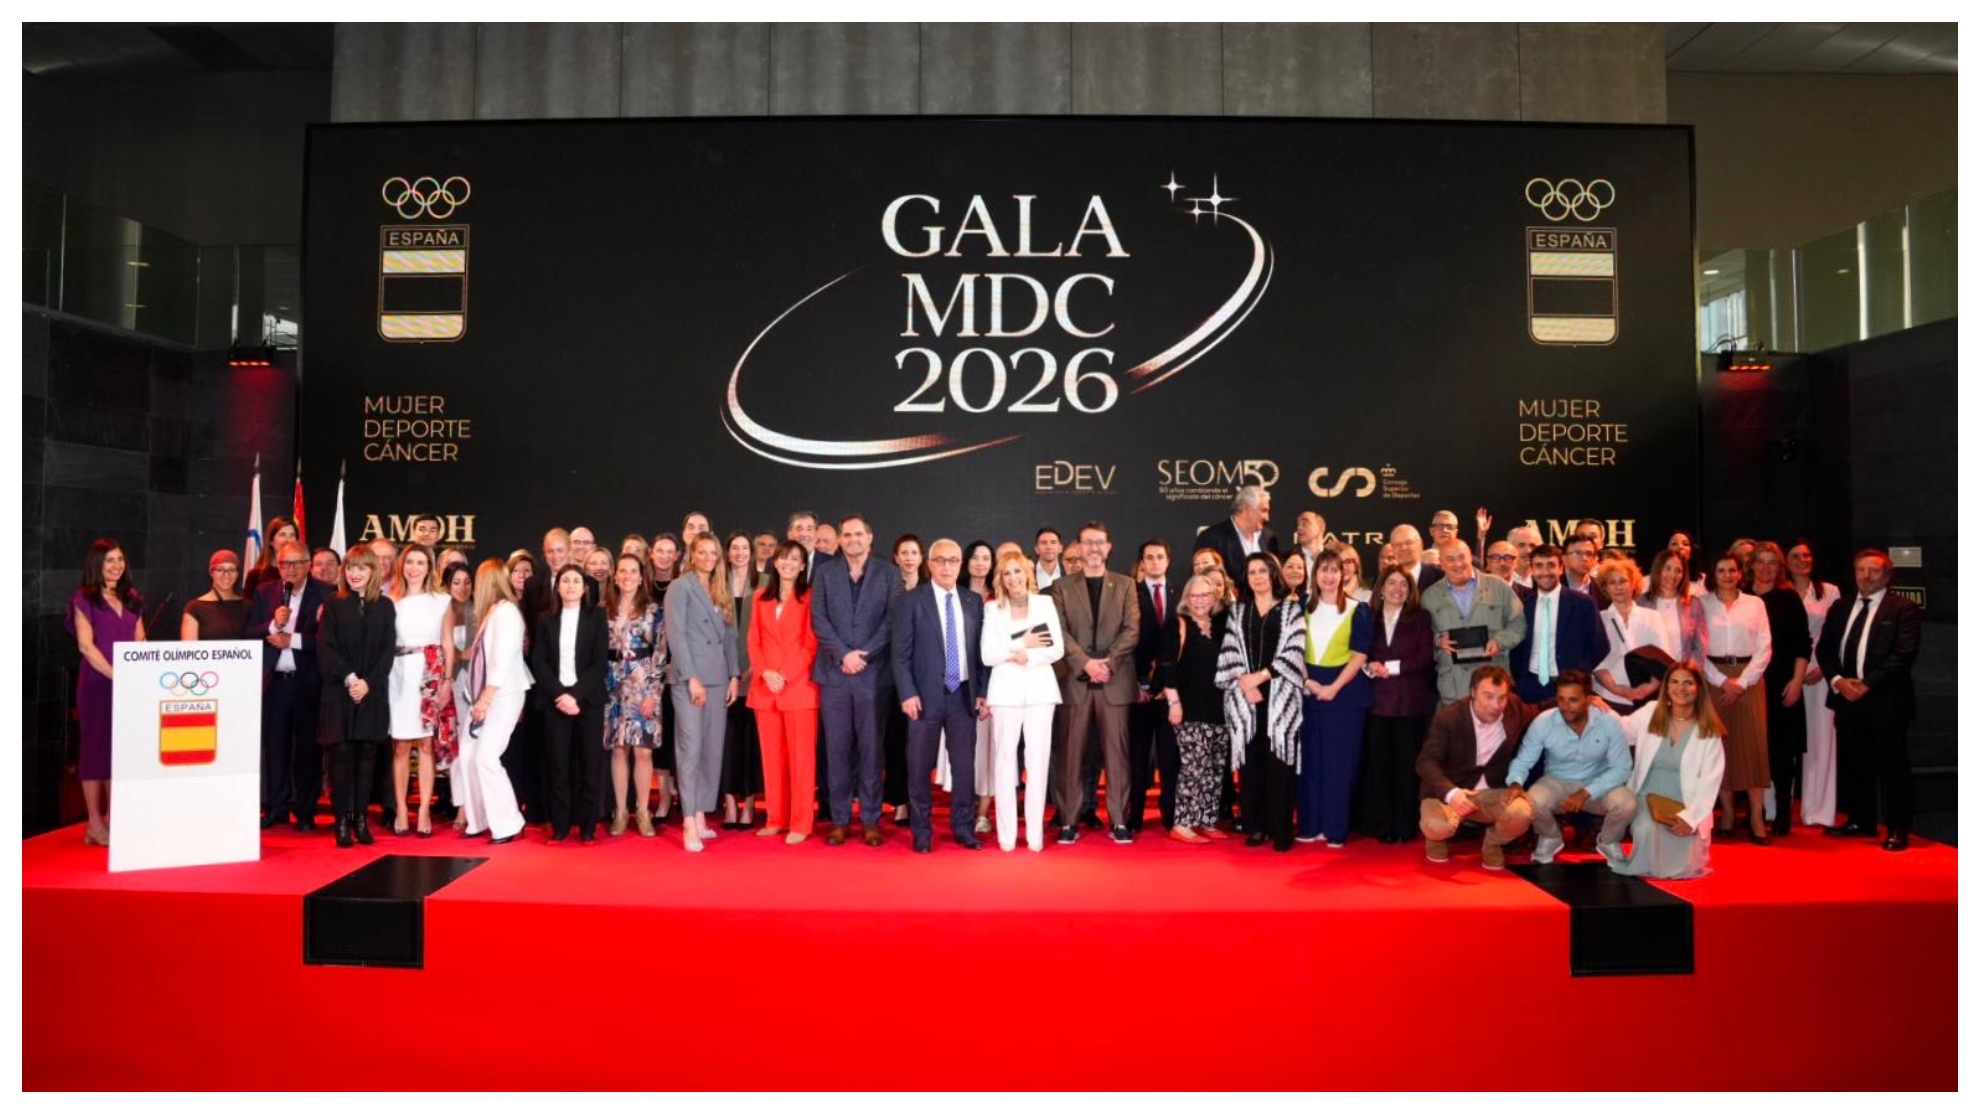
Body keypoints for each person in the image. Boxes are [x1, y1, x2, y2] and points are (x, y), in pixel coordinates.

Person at [1816, 549, 1923, 851]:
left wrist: (1867, 685)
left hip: (1886, 702)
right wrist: (1838, 682)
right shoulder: (1840, 606)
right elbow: (1825, 650)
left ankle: (1897, 828)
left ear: (1887, 575)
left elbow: (1904, 654)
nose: (1866, 576)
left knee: (1892, 767)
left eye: (1873, 571)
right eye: (1860, 570)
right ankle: (1860, 820)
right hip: (1846, 700)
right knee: (1855, 764)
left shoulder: (1903, 608)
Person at [892, 539, 990, 853]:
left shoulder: (973, 601)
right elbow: (900, 654)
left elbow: (980, 654)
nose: (947, 566)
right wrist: (907, 693)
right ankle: (922, 831)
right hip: (923, 697)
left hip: (963, 696)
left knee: (964, 767)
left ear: (960, 564)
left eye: (953, 560)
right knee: (919, 767)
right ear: (930, 564)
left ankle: (963, 827)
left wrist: (983, 691)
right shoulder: (911, 601)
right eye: (941, 560)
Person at [1048, 521, 1142, 843]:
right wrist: (1086, 663)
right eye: (1087, 543)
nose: (1093, 549)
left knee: (1117, 757)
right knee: (1070, 756)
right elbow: (1058, 632)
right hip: (1075, 682)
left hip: (1114, 683)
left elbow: (1131, 631)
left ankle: (1119, 820)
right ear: (1078, 547)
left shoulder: (1127, 585)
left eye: (1099, 543)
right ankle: (1068, 821)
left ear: (1109, 547)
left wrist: (1106, 665)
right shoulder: (1061, 587)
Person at [810, 514, 901, 847]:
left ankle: (871, 820)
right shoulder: (824, 573)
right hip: (835, 675)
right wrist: (843, 654)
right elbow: (818, 619)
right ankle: (840, 819)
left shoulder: (889, 574)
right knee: (836, 751)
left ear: (870, 537)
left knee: (872, 751)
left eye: (857, 534)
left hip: (873, 676)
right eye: (846, 535)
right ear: (839, 540)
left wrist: (863, 654)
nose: (852, 540)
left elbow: (892, 621)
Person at [1218, 552, 1305, 852]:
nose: (1257, 577)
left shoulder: (1291, 609)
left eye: (1262, 571)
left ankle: (1281, 829)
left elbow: (1295, 651)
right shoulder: (1238, 611)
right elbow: (1229, 651)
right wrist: (1245, 681)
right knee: (1252, 764)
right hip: (1247, 698)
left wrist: (1262, 677)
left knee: (1279, 763)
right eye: (1251, 572)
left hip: (1280, 697)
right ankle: (1255, 826)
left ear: (1273, 575)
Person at [1505, 670, 1637, 864]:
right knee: (1531, 800)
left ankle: (1609, 841)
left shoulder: (1608, 721)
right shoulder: (1543, 722)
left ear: (1588, 698)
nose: (1565, 707)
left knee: (1627, 803)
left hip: (1598, 784)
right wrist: (1515, 783)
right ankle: (1549, 837)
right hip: (1557, 782)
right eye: (1561, 699)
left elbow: (1622, 768)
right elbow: (1523, 761)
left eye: (1573, 700)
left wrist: (1585, 792)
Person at [1415, 666, 1539, 870]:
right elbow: (1426, 762)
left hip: (1492, 792)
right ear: (1473, 692)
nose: (1496, 705)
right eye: (1488, 696)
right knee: (1437, 827)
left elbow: (1541, 709)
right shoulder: (1449, 717)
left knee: (1522, 813)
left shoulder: (1514, 708)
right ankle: (1435, 839)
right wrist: (1451, 793)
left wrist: (1589, 701)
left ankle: (1492, 843)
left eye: (1502, 698)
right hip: (1450, 791)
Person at [1611, 664, 1727, 879]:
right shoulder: (1651, 712)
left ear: (1698, 689)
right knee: (1647, 830)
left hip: (1687, 802)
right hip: (1647, 796)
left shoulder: (1709, 731)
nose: (1680, 688)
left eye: (1688, 683)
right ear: (1666, 686)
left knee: (1684, 868)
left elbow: (1710, 782)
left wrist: (1691, 818)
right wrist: (1603, 711)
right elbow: (1622, 730)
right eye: (1674, 681)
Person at [980, 552, 1063, 852]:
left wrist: (1024, 653)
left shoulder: (1044, 603)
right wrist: (1024, 639)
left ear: (1028, 573)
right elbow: (988, 654)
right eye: (1006, 573)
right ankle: (1006, 835)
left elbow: (1056, 649)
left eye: (1018, 571)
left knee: (1037, 762)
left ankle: (1035, 835)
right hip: (1004, 693)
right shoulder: (992, 609)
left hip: (1041, 691)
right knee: (1004, 762)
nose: (1013, 578)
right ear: (1000, 578)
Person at [666, 532, 741, 853]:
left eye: (714, 553)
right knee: (691, 748)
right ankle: (686, 819)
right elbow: (676, 635)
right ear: (692, 554)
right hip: (689, 681)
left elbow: (730, 637)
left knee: (712, 750)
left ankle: (700, 813)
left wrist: (735, 675)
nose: (709, 557)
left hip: (719, 679)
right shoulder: (680, 587)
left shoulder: (720, 588)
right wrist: (691, 677)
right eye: (703, 552)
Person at [67, 539, 146, 845]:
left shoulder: (133, 598)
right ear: (97, 564)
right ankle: (94, 824)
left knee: (120, 752)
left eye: (120, 560)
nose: (116, 566)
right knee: (94, 751)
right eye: (109, 560)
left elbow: (140, 639)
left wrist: (138, 673)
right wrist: (117, 675)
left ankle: (116, 820)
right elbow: (86, 646)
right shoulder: (84, 599)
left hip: (128, 686)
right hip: (97, 684)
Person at [316, 545, 395, 848]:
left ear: (373, 571)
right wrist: (351, 678)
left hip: (370, 694)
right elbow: (326, 650)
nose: (355, 573)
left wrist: (368, 683)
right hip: (339, 692)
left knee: (366, 756)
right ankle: (341, 822)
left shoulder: (385, 607)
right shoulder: (334, 606)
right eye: (350, 567)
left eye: (361, 568)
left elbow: (387, 652)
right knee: (341, 756)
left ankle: (360, 820)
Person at [248, 540, 327, 831]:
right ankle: (277, 807)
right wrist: (271, 626)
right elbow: (249, 632)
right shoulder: (264, 592)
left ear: (308, 564)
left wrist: (291, 641)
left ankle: (305, 811)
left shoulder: (326, 593)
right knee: (275, 747)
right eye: (284, 564)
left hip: (308, 683)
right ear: (277, 565)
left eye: (297, 563)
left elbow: (326, 639)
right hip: (275, 684)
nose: (290, 569)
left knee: (308, 749)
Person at [1297, 550, 1371, 847]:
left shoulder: (1359, 609)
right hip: (1308, 691)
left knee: (1340, 764)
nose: (1328, 576)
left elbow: (1359, 656)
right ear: (1314, 575)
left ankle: (1335, 829)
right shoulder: (1301, 607)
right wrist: (1306, 681)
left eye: (1334, 570)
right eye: (1322, 570)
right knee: (1310, 761)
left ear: (1344, 574)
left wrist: (1334, 687)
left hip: (1346, 696)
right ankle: (1310, 824)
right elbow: (1293, 648)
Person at [530, 566, 608, 843]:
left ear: (585, 587)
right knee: (558, 767)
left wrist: (575, 695)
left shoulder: (597, 617)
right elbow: (538, 662)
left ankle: (587, 827)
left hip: (588, 700)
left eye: (577, 581)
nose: (571, 585)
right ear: (558, 587)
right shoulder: (545, 619)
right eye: (566, 581)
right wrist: (560, 696)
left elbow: (600, 664)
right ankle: (560, 826)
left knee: (591, 766)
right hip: (555, 702)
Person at [1359, 565, 1437, 844]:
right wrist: (1369, 666)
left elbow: (1425, 658)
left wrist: (1388, 667)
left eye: (1403, 585)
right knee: (1378, 766)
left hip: (1409, 705)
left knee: (1406, 768)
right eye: (1391, 584)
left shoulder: (1421, 618)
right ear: (1380, 588)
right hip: (1376, 703)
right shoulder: (1368, 616)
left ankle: (1404, 825)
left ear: (1411, 590)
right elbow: (1359, 652)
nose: (1397, 589)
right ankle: (1379, 823)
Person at [749, 542, 820, 844]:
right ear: (775, 562)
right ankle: (775, 817)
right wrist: (766, 672)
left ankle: (801, 823)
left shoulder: (810, 598)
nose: (788, 563)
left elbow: (810, 644)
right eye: (784, 558)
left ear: (803, 565)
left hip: (798, 687)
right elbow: (753, 640)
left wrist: (785, 675)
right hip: (766, 687)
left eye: (795, 559)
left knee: (801, 760)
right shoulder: (760, 597)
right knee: (771, 759)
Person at [1701, 553, 1773, 844]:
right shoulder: (1701, 604)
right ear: (1713, 574)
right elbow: (1696, 647)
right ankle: (1728, 813)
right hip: (1712, 678)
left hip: (1749, 680)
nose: (1728, 575)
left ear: (1740, 574)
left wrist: (1741, 682)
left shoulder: (1755, 604)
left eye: (1732, 570)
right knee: (1721, 747)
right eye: (1721, 570)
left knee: (1754, 748)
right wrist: (1720, 681)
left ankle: (1756, 816)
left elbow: (1765, 646)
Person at [386, 543, 454, 838]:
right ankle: (402, 808)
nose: (414, 568)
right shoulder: (390, 600)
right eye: (410, 562)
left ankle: (424, 808)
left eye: (421, 563)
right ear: (402, 566)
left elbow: (448, 643)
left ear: (430, 568)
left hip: (430, 674)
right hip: (397, 675)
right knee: (400, 746)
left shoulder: (441, 600)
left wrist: (447, 681)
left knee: (426, 745)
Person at [460, 559, 530, 844]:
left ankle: (509, 823)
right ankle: (480, 819)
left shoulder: (507, 613)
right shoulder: (493, 612)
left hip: (503, 694)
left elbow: (501, 661)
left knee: (487, 757)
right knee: (467, 755)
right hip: (485, 694)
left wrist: (485, 700)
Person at [1160, 574, 1232, 843]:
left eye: (1206, 595)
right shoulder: (1177, 624)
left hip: (1219, 708)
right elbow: (1167, 666)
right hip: (1188, 709)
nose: (1200, 600)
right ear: (1186, 599)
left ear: (1214, 598)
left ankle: (1207, 820)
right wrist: (1174, 702)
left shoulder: (1221, 626)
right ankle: (1182, 823)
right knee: (1193, 768)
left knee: (1214, 768)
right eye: (1195, 595)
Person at [1748, 543, 1813, 836]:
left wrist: (1798, 681)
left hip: (1782, 682)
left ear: (1780, 567)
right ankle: (1755, 813)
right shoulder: (1741, 597)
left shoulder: (1788, 598)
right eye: (1760, 562)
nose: (1765, 568)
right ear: (1751, 565)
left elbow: (1803, 643)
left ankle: (1784, 814)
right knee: (1751, 751)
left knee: (1782, 752)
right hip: (1749, 683)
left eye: (1772, 563)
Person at [603, 554, 666, 838]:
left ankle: (642, 811)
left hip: (644, 687)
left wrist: (652, 692)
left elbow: (662, 654)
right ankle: (620, 811)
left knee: (642, 751)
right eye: (622, 571)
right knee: (618, 749)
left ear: (642, 577)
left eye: (633, 571)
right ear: (615, 576)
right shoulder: (603, 609)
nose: (627, 576)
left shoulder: (654, 610)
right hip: (611, 686)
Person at [1420, 542, 1526, 705]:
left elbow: (1518, 622)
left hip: (1494, 685)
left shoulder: (1498, 587)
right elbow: (1420, 635)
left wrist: (1500, 641)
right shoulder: (1429, 596)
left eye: (1462, 557)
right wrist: (1437, 641)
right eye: (1450, 559)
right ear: (1441, 563)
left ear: (1471, 557)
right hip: (1454, 689)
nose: (1458, 564)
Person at [1786, 540, 1843, 828]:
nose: (1802, 559)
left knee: (1821, 743)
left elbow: (1837, 634)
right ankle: (1775, 809)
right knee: (1784, 744)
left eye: (1806, 554)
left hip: (1820, 675)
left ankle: (1818, 811)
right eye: (1795, 555)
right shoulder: (1780, 591)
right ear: (1786, 560)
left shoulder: (1830, 591)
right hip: (1787, 673)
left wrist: (1822, 667)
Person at [945, 537, 998, 834]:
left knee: (989, 751)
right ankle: (959, 808)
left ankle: (982, 812)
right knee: (964, 755)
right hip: (957, 686)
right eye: (975, 557)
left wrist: (987, 690)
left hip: (991, 684)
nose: (980, 562)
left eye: (986, 558)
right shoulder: (955, 594)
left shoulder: (998, 597)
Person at [1510, 544, 1605, 704]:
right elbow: (1518, 648)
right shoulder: (1525, 605)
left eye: (1551, 565)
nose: (1545, 572)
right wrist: (1521, 681)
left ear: (1561, 568)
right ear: (1532, 570)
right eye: (1539, 566)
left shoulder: (1583, 603)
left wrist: (1578, 677)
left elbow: (1600, 646)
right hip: (1530, 688)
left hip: (1569, 688)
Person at [1128, 538, 1179, 831]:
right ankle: (1134, 817)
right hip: (1139, 691)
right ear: (1142, 563)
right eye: (1149, 557)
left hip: (1169, 691)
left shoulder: (1180, 593)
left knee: (1170, 757)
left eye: (1160, 556)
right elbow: (1125, 645)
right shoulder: (1130, 594)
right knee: (1137, 757)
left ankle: (1170, 815)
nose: (1155, 562)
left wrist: (1169, 686)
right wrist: (1136, 683)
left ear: (1168, 561)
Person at [1591, 556, 1670, 715]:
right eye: (1612, 582)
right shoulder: (1598, 618)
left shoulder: (1653, 617)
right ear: (1605, 588)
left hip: (1648, 700)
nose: (1618, 587)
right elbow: (1596, 662)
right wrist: (1617, 689)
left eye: (1623, 581)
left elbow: (1663, 659)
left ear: (1633, 584)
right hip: (1608, 698)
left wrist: (1646, 689)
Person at [720, 532, 763, 830]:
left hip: (753, 677)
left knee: (749, 743)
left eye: (745, 548)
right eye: (734, 548)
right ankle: (729, 804)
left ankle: (749, 803)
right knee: (724, 744)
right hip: (719, 677)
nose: (739, 553)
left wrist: (751, 667)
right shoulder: (714, 585)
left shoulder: (764, 584)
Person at [882, 534, 925, 823]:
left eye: (914, 552)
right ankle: (899, 801)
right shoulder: (886, 588)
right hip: (888, 674)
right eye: (903, 553)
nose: (909, 558)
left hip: (922, 675)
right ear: (895, 558)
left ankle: (919, 799)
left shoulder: (930, 589)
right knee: (895, 741)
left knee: (919, 743)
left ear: (922, 558)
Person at [438, 560, 475, 830]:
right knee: (455, 748)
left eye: (467, 581)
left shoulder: (480, 610)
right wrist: (460, 655)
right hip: (447, 685)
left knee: (472, 748)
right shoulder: (440, 610)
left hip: (474, 687)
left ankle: (471, 806)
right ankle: (461, 806)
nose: (462, 588)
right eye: (456, 582)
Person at [1197, 483, 1278, 581]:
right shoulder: (1211, 538)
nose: (1267, 517)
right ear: (1246, 509)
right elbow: (1201, 580)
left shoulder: (1269, 538)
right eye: (1264, 510)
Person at [1642, 547, 1704, 665]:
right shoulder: (1641, 603)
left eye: (1678, 570)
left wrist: (1687, 672)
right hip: (1651, 676)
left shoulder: (1694, 604)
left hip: (1683, 675)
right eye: (1668, 568)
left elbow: (1700, 646)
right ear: (1658, 570)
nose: (1673, 575)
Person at [182, 549, 248, 641]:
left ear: (238, 573)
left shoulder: (248, 607)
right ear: (211, 572)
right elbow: (189, 652)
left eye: (232, 569)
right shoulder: (194, 608)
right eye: (220, 569)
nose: (226, 574)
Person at [243, 515, 299, 597]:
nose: (288, 540)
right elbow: (249, 608)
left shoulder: (301, 573)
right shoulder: (255, 576)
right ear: (271, 541)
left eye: (292, 535)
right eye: (282, 535)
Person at [523, 527, 571, 621]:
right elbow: (529, 624)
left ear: (569, 551)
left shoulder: (588, 583)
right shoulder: (532, 585)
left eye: (559, 550)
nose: (555, 556)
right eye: (550, 551)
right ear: (544, 553)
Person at [1387, 525, 1441, 593]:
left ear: (1420, 544)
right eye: (1397, 544)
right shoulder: (1386, 579)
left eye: (1408, 542)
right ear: (1392, 549)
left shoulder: (1440, 576)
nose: (1403, 548)